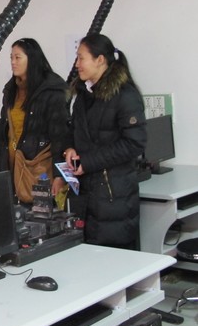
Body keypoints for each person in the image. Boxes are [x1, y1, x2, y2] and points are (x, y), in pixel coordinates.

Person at [53, 34, 146, 249]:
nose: (77, 64)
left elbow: (134, 143)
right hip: (86, 196)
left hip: (114, 198)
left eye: (81, 58)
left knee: (115, 259)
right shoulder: (83, 95)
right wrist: (69, 148)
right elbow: (72, 130)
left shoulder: (125, 95)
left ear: (100, 60)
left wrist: (87, 162)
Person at [0, 38, 69, 205]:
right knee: (17, 215)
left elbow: (60, 136)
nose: (13, 62)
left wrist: (59, 175)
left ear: (32, 59)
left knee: (41, 214)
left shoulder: (50, 90)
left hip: (38, 167)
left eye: (18, 57)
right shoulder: (11, 89)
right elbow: (4, 130)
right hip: (12, 165)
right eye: (11, 57)